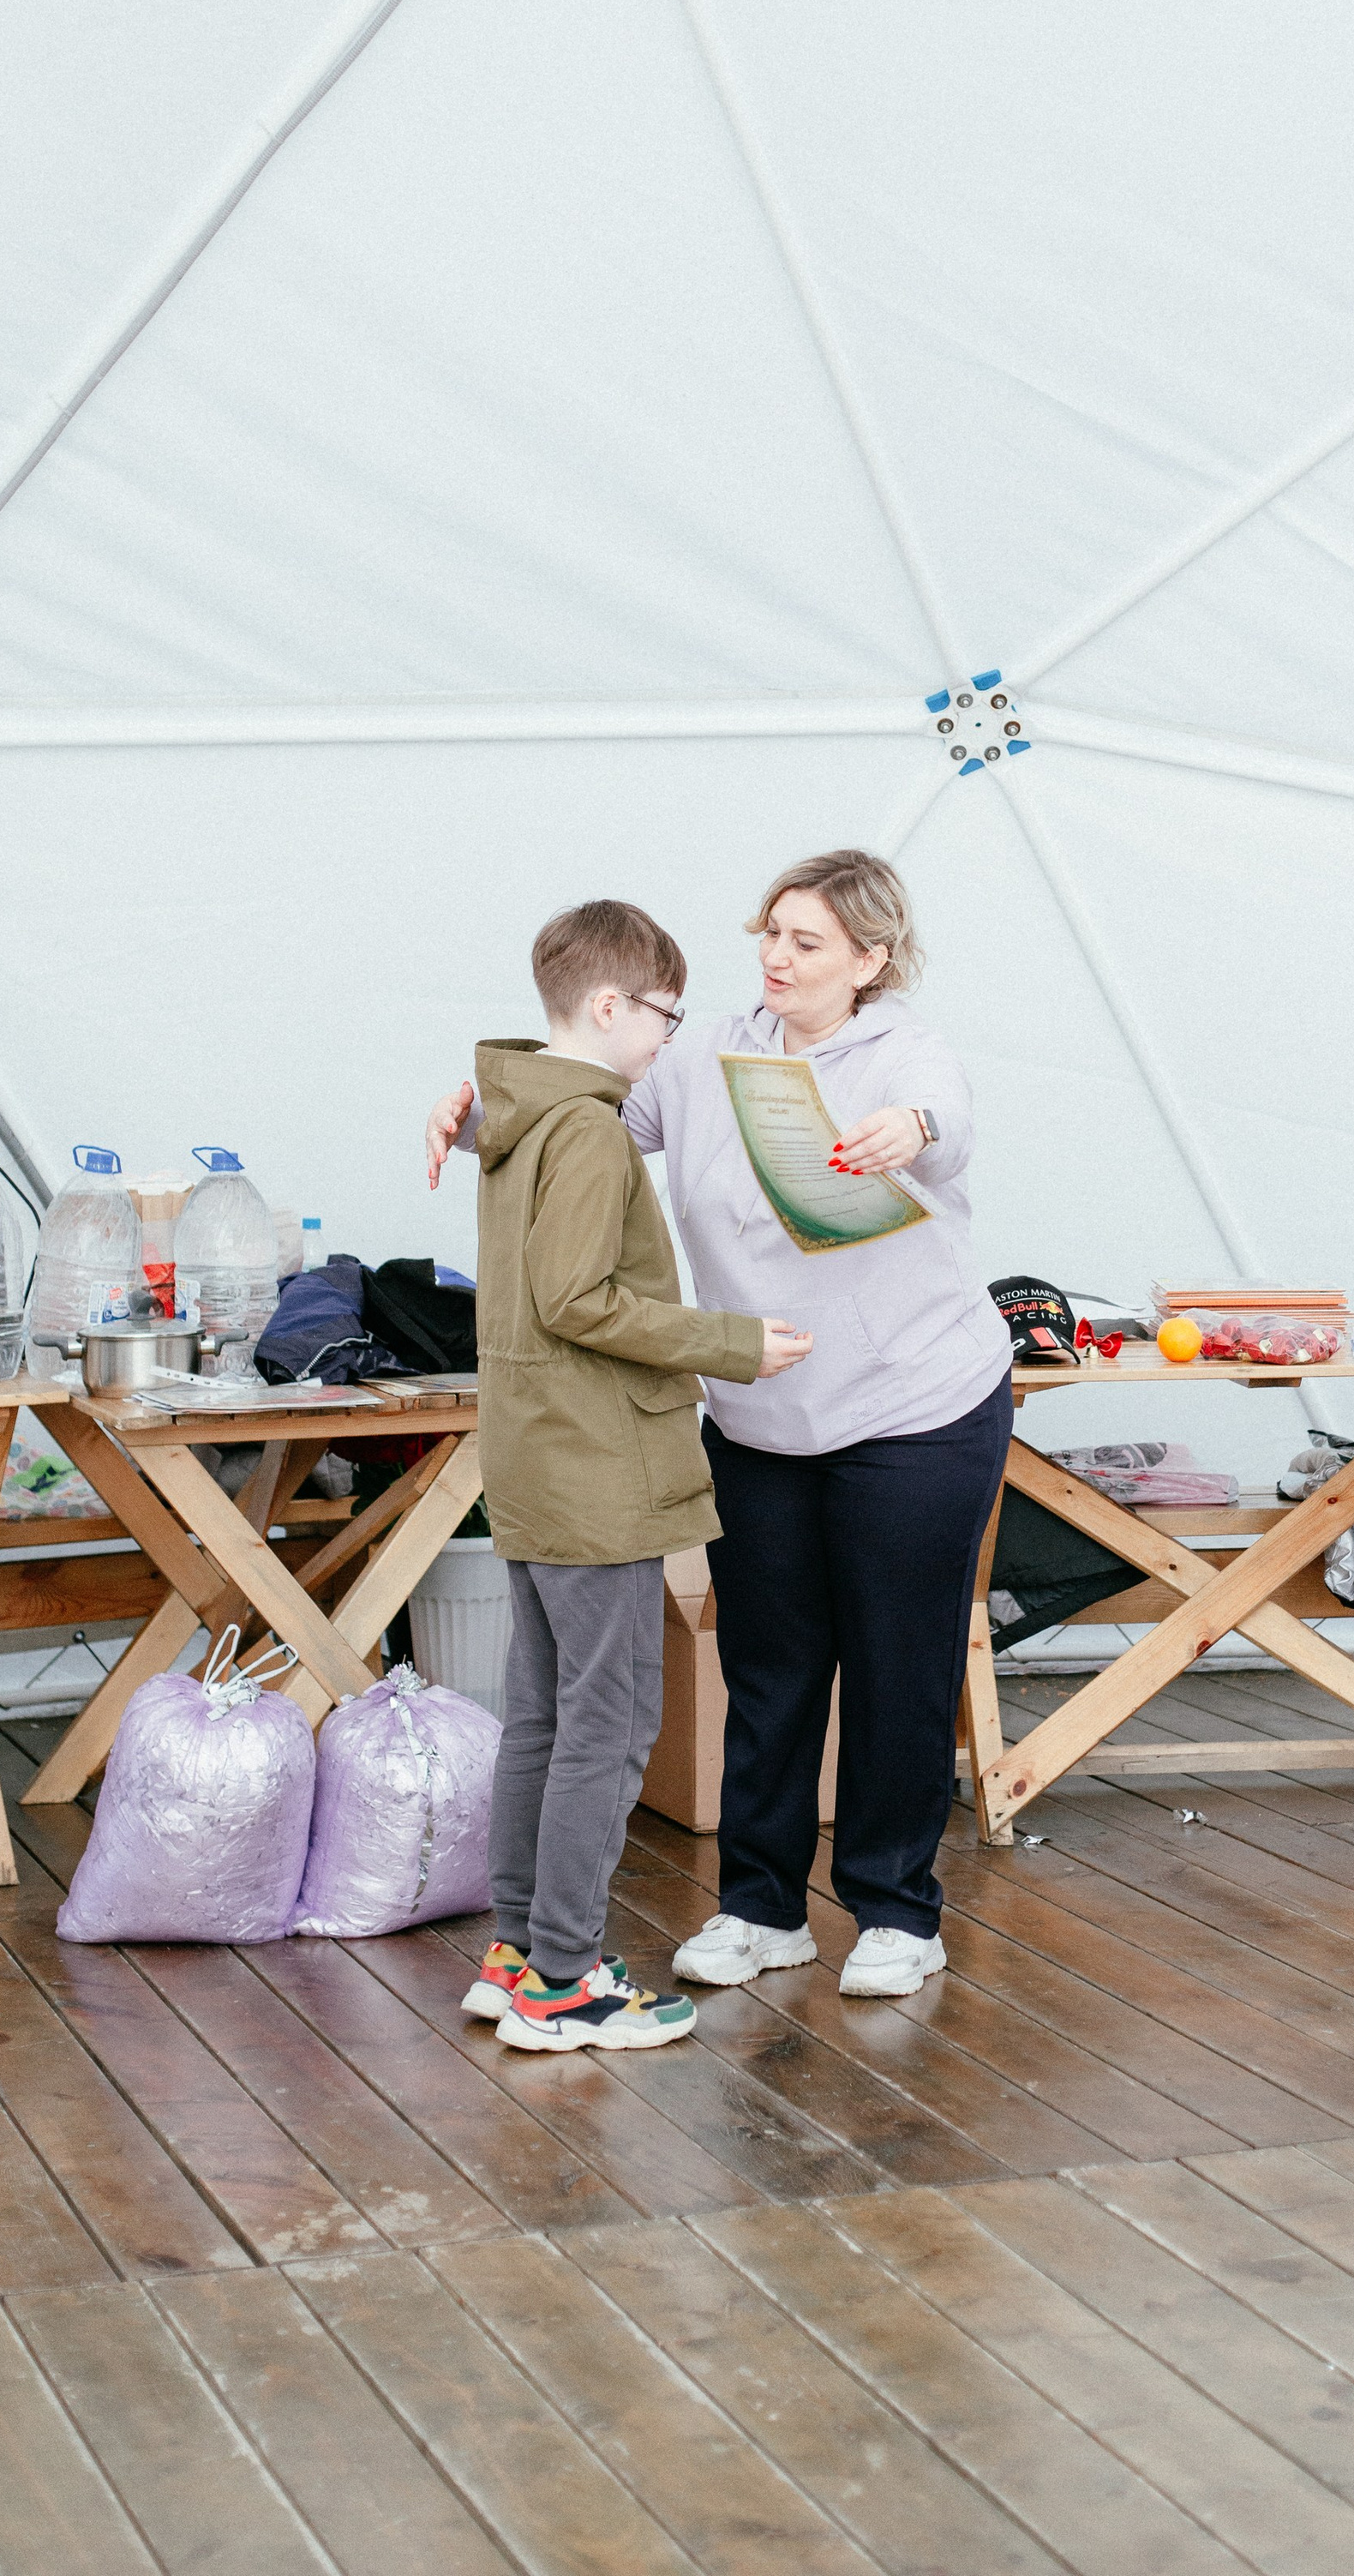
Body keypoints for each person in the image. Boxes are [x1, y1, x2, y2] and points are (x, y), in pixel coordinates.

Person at [428, 848, 1010, 2000]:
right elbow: (587, 1101)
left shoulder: (906, 1053)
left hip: (915, 1407)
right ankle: (760, 1907)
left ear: (870, 960)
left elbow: (944, 1120)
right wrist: (480, 1112)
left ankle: (898, 1913)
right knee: (770, 1665)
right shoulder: (705, 1049)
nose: (776, 958)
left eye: (807, 942)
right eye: (771, 933)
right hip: (759, 1415)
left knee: (898, 1666)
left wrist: (907, 1129)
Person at [451, 897, 812, 2055]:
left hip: (536, 1462)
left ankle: (520, 1954)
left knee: (546, 1718)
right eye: (664, 1012)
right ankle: (562, 1981)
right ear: (608, 1006)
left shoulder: (518, 1118)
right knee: (606, 1726)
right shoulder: (590, 1132)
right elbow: (578, 1302)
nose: (669, 1036)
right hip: (593, 1469)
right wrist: (733, 1341)